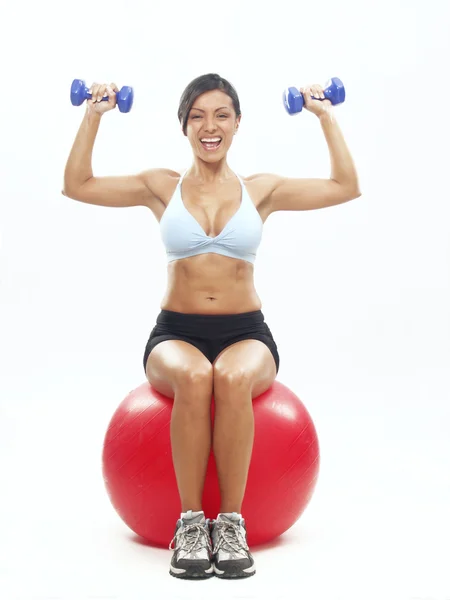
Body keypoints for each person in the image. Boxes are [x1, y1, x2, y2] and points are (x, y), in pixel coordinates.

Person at [63, 72, 361, 580]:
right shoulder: (162, 186)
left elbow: (345, 186)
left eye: (222, 114)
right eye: (198, 115)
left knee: (233, 378)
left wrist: (324, 114)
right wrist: (93, 115)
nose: (210, 126)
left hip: (246, 332)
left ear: (237, 123)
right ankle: (191, 523)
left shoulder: (260, 190)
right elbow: (78, 184)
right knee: (197, 377)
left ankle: (230, 524)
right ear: (184, 127)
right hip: (175, 332)